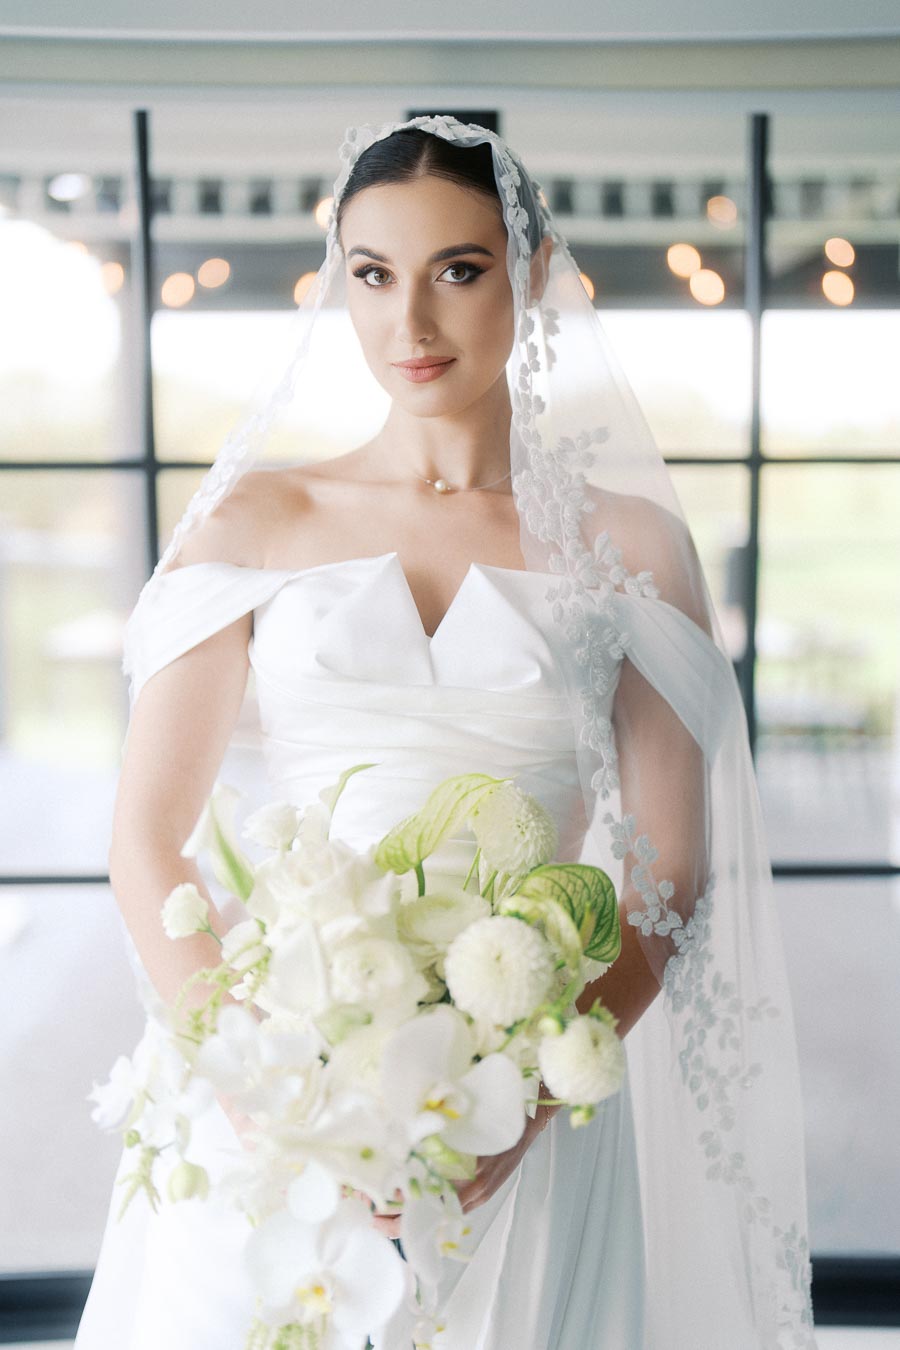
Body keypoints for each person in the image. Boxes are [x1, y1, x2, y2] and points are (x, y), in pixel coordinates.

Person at [74, 114, 817, 1349]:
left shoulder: (625, 544)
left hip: (531, 1091)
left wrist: (516, 1102)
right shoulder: (259, 516)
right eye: (372, 274)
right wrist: (269, 1092)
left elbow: (669, 872)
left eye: (456, 272)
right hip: (274, 1079)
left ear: (527, 278)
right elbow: (147, 844)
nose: (407, 325)